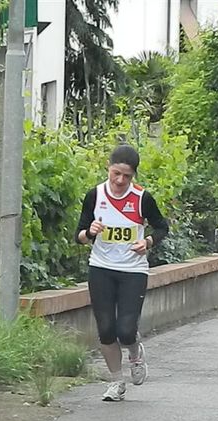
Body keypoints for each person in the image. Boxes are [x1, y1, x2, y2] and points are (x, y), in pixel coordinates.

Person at [75, 144, 169, 401]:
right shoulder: (94, 195)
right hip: (101, 268)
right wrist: (90, 232)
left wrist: (147, 242)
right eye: (116, 173)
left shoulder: (142, 199)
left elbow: (162, 227)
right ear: (108, 167)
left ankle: (135, 352)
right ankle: (116, 382)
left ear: (133, 176)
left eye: (126, 176)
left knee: (125, 331)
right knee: (106, 329)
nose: (119, 180)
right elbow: (79, 235)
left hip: (133, 271)